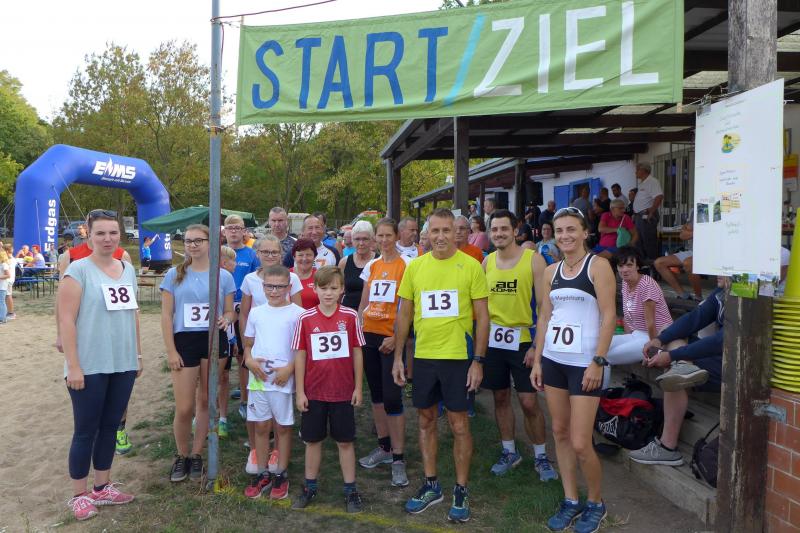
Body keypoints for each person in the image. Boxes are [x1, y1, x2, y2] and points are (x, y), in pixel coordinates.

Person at [392, 208, 489, 523]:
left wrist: (478, 361)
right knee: (425, 420)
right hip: (424, 357)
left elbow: (483, 317)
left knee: (459, 424)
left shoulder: (471, 266)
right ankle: (432, 484)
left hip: (458, 357)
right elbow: (404, 314)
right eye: (435, 231)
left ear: (456, 232)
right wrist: (398, 357)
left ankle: (461, 489)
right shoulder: (415, 267)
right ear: (427, 234)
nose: (441, 236)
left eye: (447, 230)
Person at [531, 206, 616, 533]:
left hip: (585, 365)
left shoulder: (599, 266)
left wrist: (599, 360)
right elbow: (544, 317)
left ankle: (596, 502)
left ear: (584, 233)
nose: (565, 235)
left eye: (571, 229)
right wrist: (538, 360)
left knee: (581, 442)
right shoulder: (550, 271)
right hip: (554, 360)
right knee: (560, 433)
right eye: (559, 230)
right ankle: (571, 499)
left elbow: (609, 316)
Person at [57, 210, 142, 521]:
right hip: (89, 365)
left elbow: (133, 313)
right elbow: (66, 320)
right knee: (85, 430)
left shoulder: (127, 269)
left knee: (110, 426)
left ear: (120, 235)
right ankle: (79, 495)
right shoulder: (77, 271)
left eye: (113, 233)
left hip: (122, 362)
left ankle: (102, 487)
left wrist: (137, 355)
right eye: (101, 233)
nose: (108, 239)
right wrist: (73, 365)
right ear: (89, 236)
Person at [482, 210, 557, 481]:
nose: (499, 233)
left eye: (504, 228)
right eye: (494, 229)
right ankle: (509, 451)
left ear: (515, 231)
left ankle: (541, 456)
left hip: (524, 341)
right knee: (500, 397)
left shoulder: (533, 260)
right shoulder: (487, 262)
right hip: (493, 342)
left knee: (528, 401)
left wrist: (537, 346)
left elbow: (544, 307)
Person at [160, 224, 235, 483]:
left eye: (198, 240)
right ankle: (181, 454)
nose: (192, 245)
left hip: (214, 340)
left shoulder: (223, 276)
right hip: (185, 341)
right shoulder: (174, 274)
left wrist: (227, 318)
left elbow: (230, 311)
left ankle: (196, 454)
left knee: (205, 400)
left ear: (210, 243)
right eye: (188, 241)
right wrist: (171, 350)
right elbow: (166, 316)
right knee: (184, 407)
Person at [630, 277, 728, 467]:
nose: (714, 273)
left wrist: (673, 356)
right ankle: (683, 366)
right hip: (721, 357)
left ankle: (667, 447)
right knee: (670, 334)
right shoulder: (723, 291)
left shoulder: (752, 294)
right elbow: (695, 318)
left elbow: (722, 341)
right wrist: (659, 339)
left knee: (675, 366)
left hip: (741, 369)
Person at [291, 266, 366, 513]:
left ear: (342, 289)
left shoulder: (350, 316)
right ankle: (309, 487)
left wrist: (358, 387)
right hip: (314, 392)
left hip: (342, 391)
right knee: (312, 440)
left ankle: (351, 490)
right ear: (315, 289)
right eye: (323, 288)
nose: (328, 293)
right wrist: (300, 391)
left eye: (334, 288)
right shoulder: (305, 318)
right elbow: (300, 355)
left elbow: (357, 352)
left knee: (345, 441)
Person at [238, 235, 302, 472]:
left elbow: (300, 342)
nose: (274, 291)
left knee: (282, 424)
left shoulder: (296, 310)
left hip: (283, 373)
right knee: (260, 422)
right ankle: (259, 461)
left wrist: (290, 368)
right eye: (265, 252)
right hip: (258, 374)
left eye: (274, 252)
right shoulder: (256, 307)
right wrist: (248, 358)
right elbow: (248, 335)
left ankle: (279, 465)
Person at [356, 218, 411, 486]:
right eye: (380, 236)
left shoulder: (407, 265)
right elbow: (364, 304)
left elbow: (408, 306)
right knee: (377, 395)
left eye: (389, 235)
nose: (385, 240)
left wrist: (397, 337)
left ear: (397, 236)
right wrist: (359, 329)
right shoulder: (372, 265)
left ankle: (399, 458)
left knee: (392, 397)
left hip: (391, 337)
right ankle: (384, 447)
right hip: (369, 335)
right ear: (375, 238)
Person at [606, 247, 677, 368]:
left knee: (605, 357)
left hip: (655, 336)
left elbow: (651, 323)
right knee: (598, 348)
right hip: (637, 334)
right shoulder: (625, 283)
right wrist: (628, 337)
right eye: (620, 266)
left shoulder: (646, 284)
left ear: (637, 266)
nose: (624, 270)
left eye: (629, 265)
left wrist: (653, 350)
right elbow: (627, 315)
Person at [654, 214, 702, 300]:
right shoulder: (694, 211)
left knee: (688, 263)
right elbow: (682, 235)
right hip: (692, 251)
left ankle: (698, 298)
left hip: (710, 252)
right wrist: (700, 232)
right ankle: (683, 295)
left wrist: (690, 231)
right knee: (659, 263)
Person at [338, 221, 375, 310]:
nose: (361, 243)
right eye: (357, 239)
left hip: (372, 313)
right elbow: (338, 292)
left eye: (365, 239)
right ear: (352, 240)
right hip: (347, 313)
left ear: (371, 240)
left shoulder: (379, 261)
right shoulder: (344, 262)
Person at [631, 162, 664, 262]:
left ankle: (653, 265)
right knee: (639, 241)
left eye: (637, 170)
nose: (635, 172)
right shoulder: (643, 183)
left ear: (643, 170)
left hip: (646, 216)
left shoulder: (652, 181)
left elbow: (659, 196)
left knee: (648, 241)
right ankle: (644, 264)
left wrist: (651, 212)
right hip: (639, 216)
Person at [290, 238, 319, 310]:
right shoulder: (285, 276)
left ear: (315, 257)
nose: (304, 259)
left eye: (308, 255)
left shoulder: (321, 276)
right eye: (300, 255)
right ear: (294, 257)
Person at [3, 243, 14, 319]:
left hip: (8, 280)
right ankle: (8, 312)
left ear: (6, 251)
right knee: (7, 295)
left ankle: (11, 313)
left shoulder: (9, 259)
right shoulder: (10, 258)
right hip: (8, 279)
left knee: (8, 295)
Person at [0, 248, 10, 323]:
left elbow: (8, 275)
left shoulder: (4, 264)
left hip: (2, 286)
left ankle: (3, 318)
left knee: (2, 302)